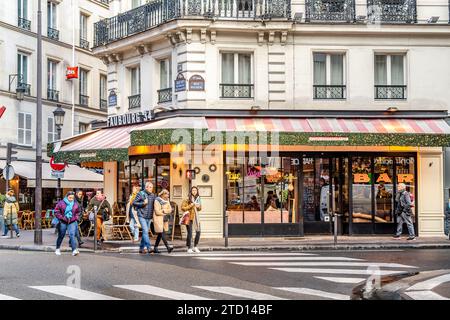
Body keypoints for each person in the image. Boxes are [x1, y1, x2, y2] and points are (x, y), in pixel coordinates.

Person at [133, 182, 156, 255]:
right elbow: (134, 203)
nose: (151, 189)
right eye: (150, 187)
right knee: (145, 231)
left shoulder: (153, 195)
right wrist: (143, 203)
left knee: (145, 232)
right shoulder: (141, 194)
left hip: (149, 217)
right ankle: (149, 247)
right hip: (142, 215)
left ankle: (141, 248)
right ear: (146, 187)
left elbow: (155, 204)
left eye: (152, 187)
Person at [54, 191, 80, 256]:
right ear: (66, 197)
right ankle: (57, 249)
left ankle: (74, 250)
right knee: (61, 235)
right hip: (63, 221)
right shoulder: (61, 203)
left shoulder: (75, 204)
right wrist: (62, 218)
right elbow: (56, 211)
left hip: (72, 221)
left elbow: (78, 212)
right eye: (70, 198)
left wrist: (75, 218)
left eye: (72, 198)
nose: (71, 199)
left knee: (72, 235)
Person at [181, 186, 202, 254]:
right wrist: (191, 205)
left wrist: (199, 207)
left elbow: (199, 209)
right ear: (191, 191)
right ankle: (189, 247)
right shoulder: (187, 199)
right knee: (190, 233)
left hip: (196, 218)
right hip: (189, 217)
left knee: (198, 232)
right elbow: (183, 208)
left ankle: (195, 246)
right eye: (193, 190)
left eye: (195, 190)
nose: (194, 192)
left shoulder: (198, 199)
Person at [153, 189, 174, 254]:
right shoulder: (157, 200)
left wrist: (163, 210)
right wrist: (164, 211)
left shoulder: (167, 201)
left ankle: (155, 248)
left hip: (164, 219)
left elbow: (170, 209)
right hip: (158, 219)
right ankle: (168, 247)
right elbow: (157, 211)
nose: (168, 195)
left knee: (160, 234)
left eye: (168, 194)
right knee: (162, 232)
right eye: (166, 194)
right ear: (163, 194)